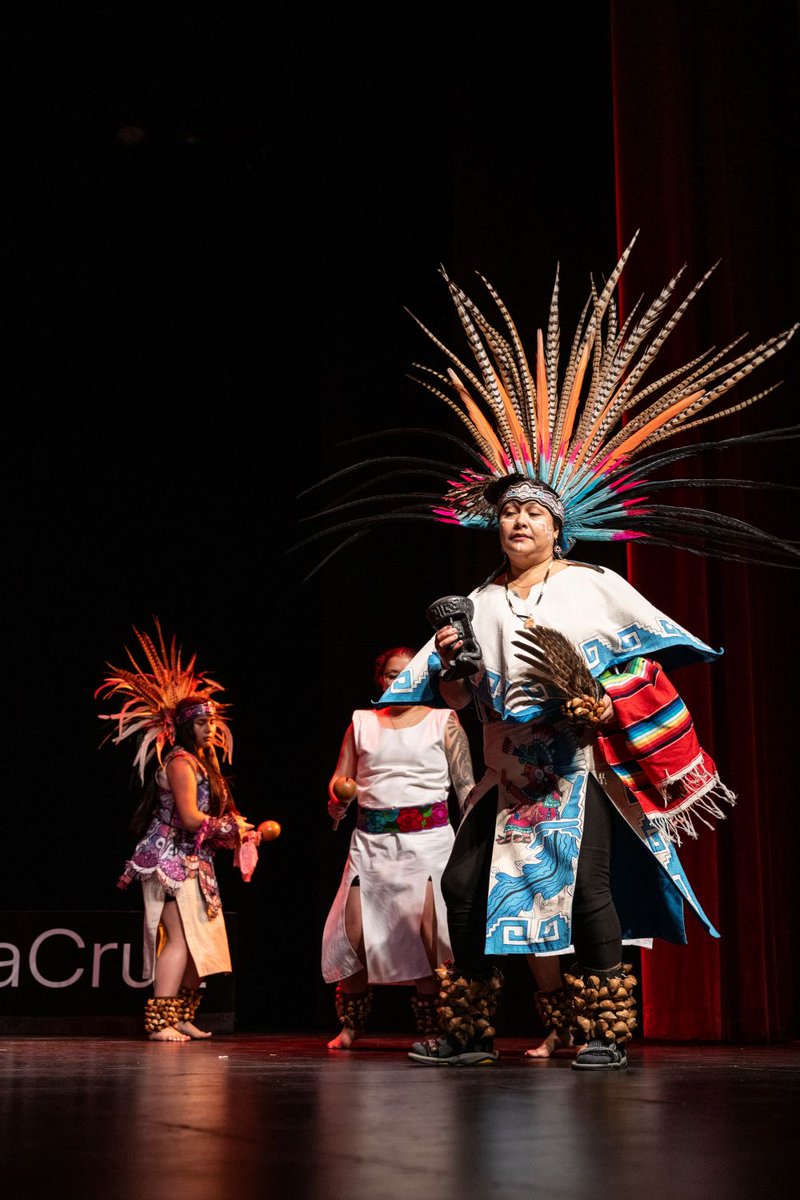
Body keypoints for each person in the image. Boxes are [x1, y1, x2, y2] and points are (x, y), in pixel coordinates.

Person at [302, 239, 797, 1068]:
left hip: (577, 770)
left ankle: (602, 1032)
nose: (519, 522)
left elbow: (640, 666)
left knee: (589, 896)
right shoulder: (485, 602)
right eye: (508, 515)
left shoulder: (591, 586)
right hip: (507, 775)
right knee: (460, 889)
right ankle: (465, 1029)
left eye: (533, 513)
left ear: (558, 526)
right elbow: (451, 700)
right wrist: (459, 671)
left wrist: (598, 705)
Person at [97, 621, 259, 1042]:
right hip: (166, 856)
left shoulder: (207, 764)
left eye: (213, 722)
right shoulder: (181, 761)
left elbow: (209, 823)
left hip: (193, 859)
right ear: (187, 726)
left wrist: (237, 833)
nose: (211, 728)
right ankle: (160, 1021)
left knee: (199, 942)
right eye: (203, 723)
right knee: (181, 939)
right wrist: (228, 825)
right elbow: (189, 818)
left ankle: (181, 1013)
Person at [322, 645, 476, 1049]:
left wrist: (474, 841)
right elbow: (342, 777)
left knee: (430, 936)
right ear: (380, 679)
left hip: (428, 843)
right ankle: (351, 1026)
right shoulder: (362, 722)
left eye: (406, 672)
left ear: (424, 676)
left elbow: (465, 789)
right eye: (391, 674)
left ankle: (434, 1025)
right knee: (353, 934)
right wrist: (338, 801)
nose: (398, 679)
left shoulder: (444, 721)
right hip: (371, 844)